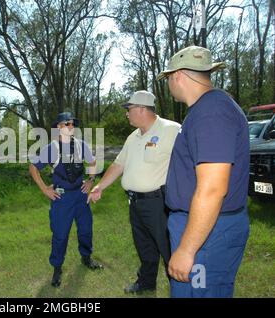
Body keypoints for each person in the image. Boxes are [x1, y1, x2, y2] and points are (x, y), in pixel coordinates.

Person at [156, 46, 250, 298]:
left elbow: (212, 189)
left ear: (177, 76)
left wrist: (187, 249)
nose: (168, 84)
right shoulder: (207, 108)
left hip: (206, 232)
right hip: (203, 227)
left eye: (168, 79)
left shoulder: (211, 113)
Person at [88, 91, 181, 293]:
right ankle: (146, 283)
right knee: (144, 247)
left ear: (141, 109)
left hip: (160, 203)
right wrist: (100, 186)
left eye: (128, 110)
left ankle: (180, 290)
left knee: (169, 249)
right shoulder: (133, 137)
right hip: (135, 203)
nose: (126, 114)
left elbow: (189, 163)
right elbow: (119, 165)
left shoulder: (171, 130)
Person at [29, 112, 103, 288]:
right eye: (67, 124)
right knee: (60, 235)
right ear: (58, 128)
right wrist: (44, 189)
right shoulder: (51, 148)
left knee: (85, 229)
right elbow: (33, 167)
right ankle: (57, 268)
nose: (71, 127)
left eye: (73, 124)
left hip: (80, 195)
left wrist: (91, 180)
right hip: (62, 198)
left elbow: (92, 163)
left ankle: (86, 257)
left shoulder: (81, 146)